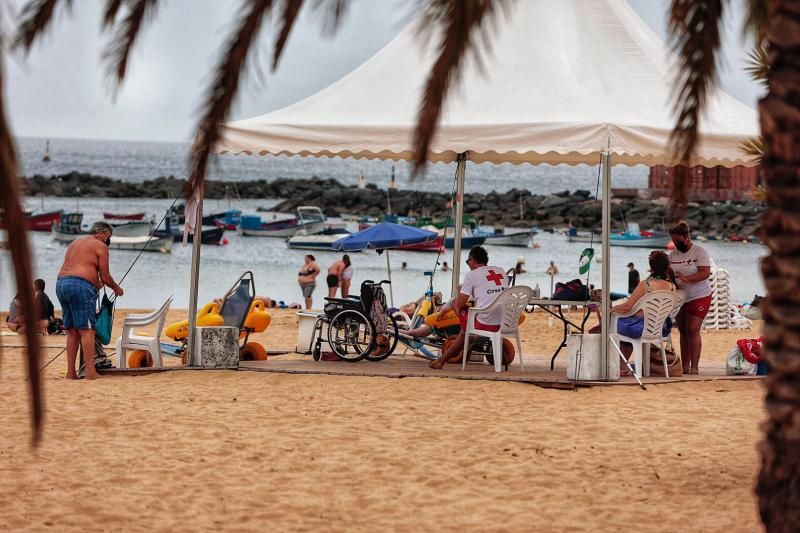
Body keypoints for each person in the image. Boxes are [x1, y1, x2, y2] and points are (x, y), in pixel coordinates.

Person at [56, 221, 124, 380]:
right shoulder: (100, 246)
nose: (108, 240)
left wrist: (92, 284)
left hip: (61, 284)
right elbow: (105, 277)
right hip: (80, 286)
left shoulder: (75, 242)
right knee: (87, 330)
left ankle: (70, 373)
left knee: (72, 331)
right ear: (102, 233)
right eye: (108, 236)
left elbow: (77, 268)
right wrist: (117, 289)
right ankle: (90, 372)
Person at [429, 246, 508, 369]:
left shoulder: (472, 275)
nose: (468, 264)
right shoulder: (501, 271)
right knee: (467, 328)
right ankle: (442, 359)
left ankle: (442, 360)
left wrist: (462, 292)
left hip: (486, 323)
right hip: (505, 321)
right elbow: (489, 294)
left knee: (455, 304)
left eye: (468, 261)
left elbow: (459, 305)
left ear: (473, 259)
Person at [611, 251, 676, 374]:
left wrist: (611, 309)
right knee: (627, 323)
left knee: (618, 323)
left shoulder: (645, 284)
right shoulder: (672, 287)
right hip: (660, 328)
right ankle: (623, 365)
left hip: (641, 329)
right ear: (667, 267)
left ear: (651, 267)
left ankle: (621, 365)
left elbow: (627, 307)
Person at [669, 221, 712, 375]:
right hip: (681, 297)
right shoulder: (672, 255)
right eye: (674, 241)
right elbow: (670, 275)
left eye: (678, 241)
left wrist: (687, 279)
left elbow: (705, 273)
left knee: (693, 329)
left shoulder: (699, 252)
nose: (676, 244)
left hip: (699, 295)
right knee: (683, 331)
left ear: (686, 237)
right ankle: (684, 366)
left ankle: (695, 367)